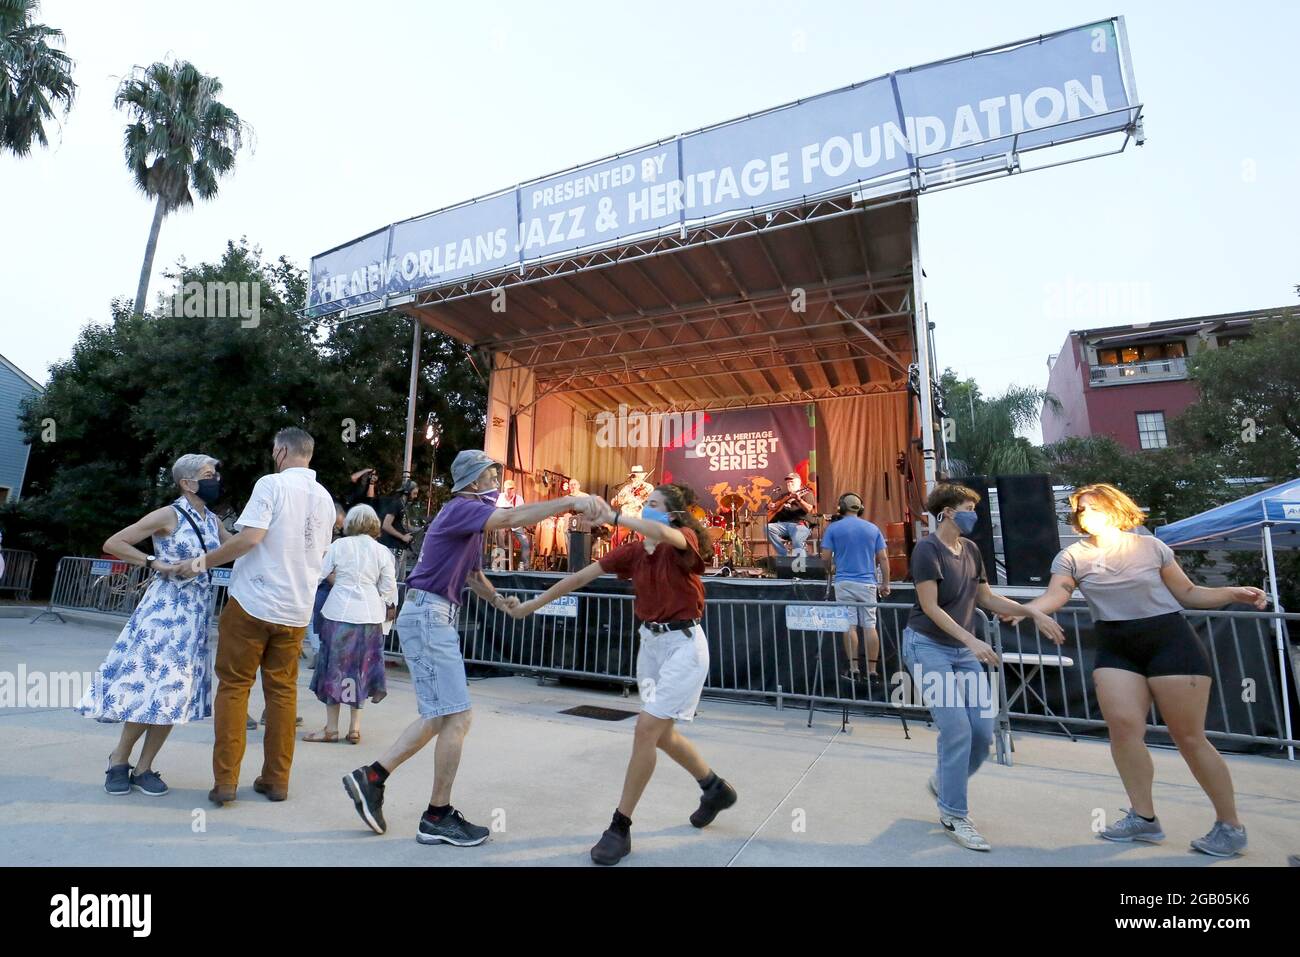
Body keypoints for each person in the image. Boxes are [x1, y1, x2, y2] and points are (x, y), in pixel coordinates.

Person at [342, 449, 598, 846]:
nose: (496, 483)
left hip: (432, 615)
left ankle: (372, 778)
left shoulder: (466, 521)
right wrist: (569, 502)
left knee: (440, 716)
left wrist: (501, 603)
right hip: (429, 616)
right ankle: (436, 816)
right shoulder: (462, 507)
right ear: (474, 482)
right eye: (491, 476)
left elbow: (473, 574)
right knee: (457, 718)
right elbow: (513, 518)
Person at [1017, 483, 1267, 858]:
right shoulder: (1072, 555)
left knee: (1189, 738)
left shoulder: (1151, 547)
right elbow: (1057, 595)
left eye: (1094, 507)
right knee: (1123, 729)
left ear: (1116, 509)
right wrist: (1030, 609)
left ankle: (1230, 825)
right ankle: (1144, 818)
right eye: (1081, 510)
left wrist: (1232, 592)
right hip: (1117, 645)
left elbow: (1189, 593)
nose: (1086, 514)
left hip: (1170, 640)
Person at [509, 483, 737, 866]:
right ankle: (714, 788)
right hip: (651, 648)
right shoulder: (633, 552)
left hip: (684, 646)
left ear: (672, 514)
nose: (645, 509)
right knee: (660, 734)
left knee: (646, 729)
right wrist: (532, 604)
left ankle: (620, 825)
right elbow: (578, 578)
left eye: (652, 504)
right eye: (644, 504)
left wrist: (613, 516)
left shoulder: (679, 540)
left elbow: (663, 533)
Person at [177, 428, 336, 805]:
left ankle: (226, 783)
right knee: (282, 694)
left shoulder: (272, 484)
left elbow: (249, 539)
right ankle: (276, 781)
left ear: (281, 451)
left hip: (253, 603)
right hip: (296, 611)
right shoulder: (326, 499)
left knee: (233, 688)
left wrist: (200, 562)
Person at [904, 483, 1065, 852]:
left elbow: (987, 598)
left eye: (974, 506)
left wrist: (1032, 610)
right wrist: (971, 640)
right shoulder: (927, 549)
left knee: (982, 732)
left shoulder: (972, 550)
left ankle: (945, 783)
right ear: (946, 511)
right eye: (967, 506)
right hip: (929, 645)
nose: (973, 513)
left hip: (962, 649)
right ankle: (954, 813)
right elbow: (930, 607)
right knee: (957, 729)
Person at [77, 454, 228, 796]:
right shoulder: (169, 514)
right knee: (149, 689)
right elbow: (114, 542)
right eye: (208, 474)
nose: (215, 479)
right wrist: (152, 561)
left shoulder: (212, 520)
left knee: (174, 693)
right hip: (164, 612)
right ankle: (119, 759)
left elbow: (235, 546)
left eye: (215, 473)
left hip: (195, 616)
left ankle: (144, 768)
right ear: (187, 483)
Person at [303, 504, 397, 745]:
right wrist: (388, 612)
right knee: (361, 670)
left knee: (334, 668)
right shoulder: (382, 551)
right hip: (370, 617)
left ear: (350, 523)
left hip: (339, 613)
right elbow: (389, 589)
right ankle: (354, 728)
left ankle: (331, 729)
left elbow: (318, 575)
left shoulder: (338, 546)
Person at [819, 492, 890, 687]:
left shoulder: (834, 528)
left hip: (844, 582)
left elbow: (825, 557)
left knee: (849, 625)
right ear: (861, 508)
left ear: (840, 508)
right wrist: (886, 583)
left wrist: (829, 569)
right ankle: (872, 671)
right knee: (869, 625)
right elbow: (883, 558)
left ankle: (854, 669)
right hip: (868, 583)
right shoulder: (872, 528)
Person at [766, 472, 816, 558]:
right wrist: (770, 505)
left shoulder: (807, 493)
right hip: (785, 525)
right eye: (787, 482)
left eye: (791, 482)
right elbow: (773, 505)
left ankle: (801, 565)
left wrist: (799, 500)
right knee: (767, 528)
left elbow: (809, 509)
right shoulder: (784, 496)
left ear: (799, 482)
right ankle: (783, 555)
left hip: (801, 524)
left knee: (797, 538)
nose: (789, 484)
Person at [610, 465, 653, 546]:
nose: (634, 478)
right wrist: (616, 501)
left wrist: (640, 494)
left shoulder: (648, 487)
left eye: (637, 476)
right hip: (627, 515)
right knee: (616, 538)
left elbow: (646, 497)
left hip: (640, 515)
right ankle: (614, 555)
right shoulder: (626, 488)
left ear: (642, 476)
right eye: (633, 476)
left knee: (642, 538)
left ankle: (642, 556)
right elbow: (615, 501)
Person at [495, 478, 531, 568]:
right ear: (504, 489)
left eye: (512, 488)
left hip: (515, 525)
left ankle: (524, 565)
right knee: (499, 533)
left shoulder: (519, 499)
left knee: (525, 542)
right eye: (508, 488)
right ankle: (500, 561)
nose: (510, 491)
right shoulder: (500, 497)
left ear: (514, 489)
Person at [378, 480, 418, 553]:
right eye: (414, 493)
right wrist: (403, 537)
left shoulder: (405, 506)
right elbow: (386, 525)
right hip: (392, 547)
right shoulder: (396, 504)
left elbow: (407, 526)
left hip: (401, 547)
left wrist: (422, 529)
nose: (416, 496)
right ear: (407, 492)